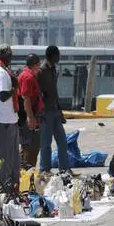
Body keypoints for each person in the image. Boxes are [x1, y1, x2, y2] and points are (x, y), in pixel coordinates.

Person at [0, 44, 21, 189]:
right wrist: (14, 88)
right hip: (3, 121)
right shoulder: (0, 72)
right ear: (5, 55)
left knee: (12, 159)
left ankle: (11, 188)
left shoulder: (0, 69)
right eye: (10, 55)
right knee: (3, 159)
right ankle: (1, 189)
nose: (11, 57)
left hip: (8, 120)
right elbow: (2, 96)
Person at [37, 46, 72, 174]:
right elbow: (37, 92)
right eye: (58, 55)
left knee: (62, 141)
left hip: (55, 110)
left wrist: (60, 111)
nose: (59, 57)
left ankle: (64, 169)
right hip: (45, 112)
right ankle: (45, 170)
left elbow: (54, 91)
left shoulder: (53, 69)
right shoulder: (41, 71)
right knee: (46, 143)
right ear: (52, 56)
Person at [18, 53, 43, 170]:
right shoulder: (28, 77)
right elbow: (26, 97)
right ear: (36, 64)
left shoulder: (28, 75)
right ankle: (25, 173)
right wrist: (30, 117)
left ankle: (27, 172)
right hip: (28, 116)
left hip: (32, 115)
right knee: (29, 147)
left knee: (32, 146)